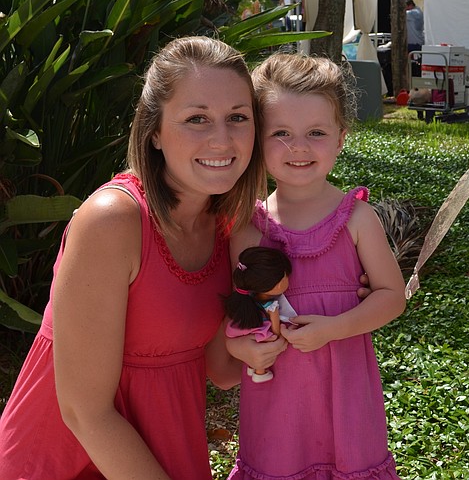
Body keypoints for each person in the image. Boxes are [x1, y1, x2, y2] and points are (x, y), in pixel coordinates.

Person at [0, 36, 280, 479]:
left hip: (166, 449)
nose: (222, 139)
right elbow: (84, 412)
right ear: (154, 132)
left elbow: (220, 371)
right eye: (197, 119)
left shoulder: (225, 225)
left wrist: (319, 298)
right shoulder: (113, 220)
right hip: (72, 459)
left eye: (238, 117)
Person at [226, 52, 407, 479]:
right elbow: (234, 313)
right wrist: (241, 347)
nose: (299, 147)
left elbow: (391, 296)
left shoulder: (357, 219)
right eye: (281, 133)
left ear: (341, 138)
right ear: (257, 139)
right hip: (276, 404)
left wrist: (333, 329)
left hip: (345, 394)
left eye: (316, 132)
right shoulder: (248, 229)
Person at [224, 246, 295, 382]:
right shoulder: (272, 306)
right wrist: (277, 336)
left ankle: (252, 367)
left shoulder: (250, 298)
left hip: (248, 329)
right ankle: (259, 373)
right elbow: (275, 325)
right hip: (262, 331)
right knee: (264, 345)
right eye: (286, 276)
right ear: (278, 284)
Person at [406, 0, 424, 76]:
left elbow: (399, 14)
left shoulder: (412, 13)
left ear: (409, 5)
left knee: (412, 65)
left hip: (413, 43)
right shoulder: (418, 11)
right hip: (417, 42)